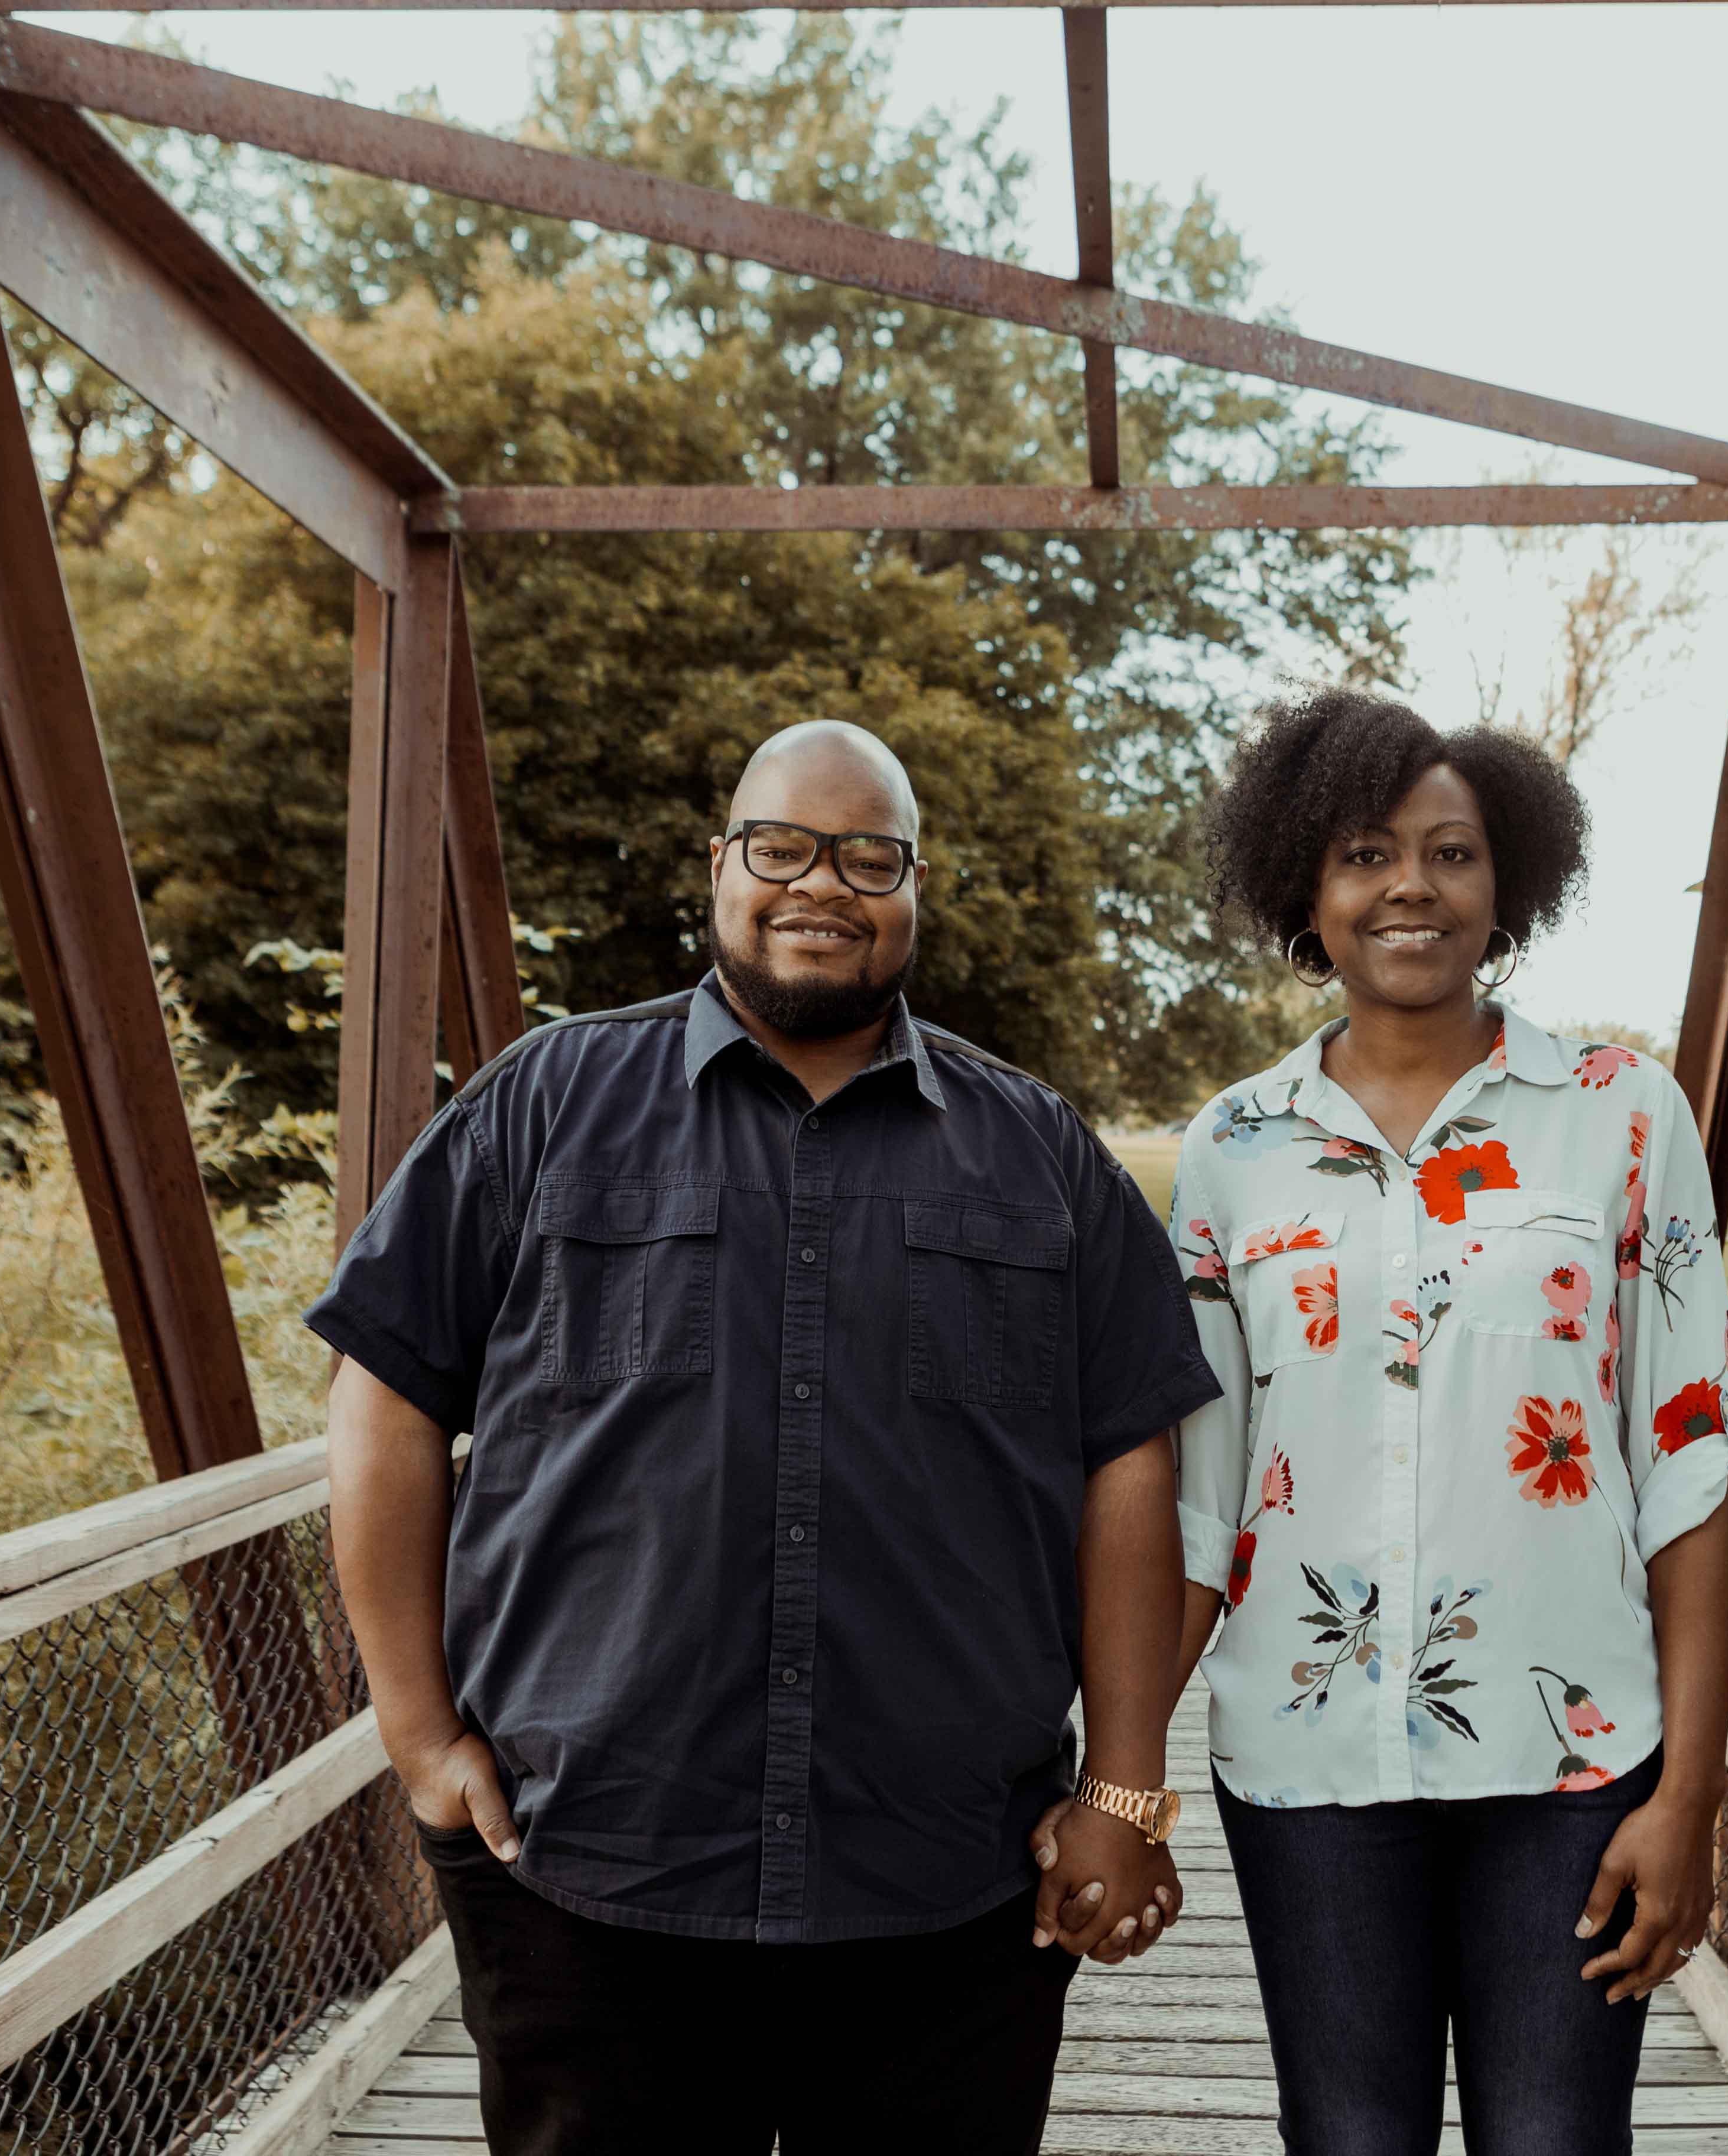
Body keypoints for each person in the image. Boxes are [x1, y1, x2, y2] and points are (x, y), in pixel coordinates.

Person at [308, 719, 1220, 2155]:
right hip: (590, 1862)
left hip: (948, 1879)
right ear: (720, 865)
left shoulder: (1038, 1152)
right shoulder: (543, 1106)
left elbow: (1131, 1468)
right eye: (783, 848)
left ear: (915, 887)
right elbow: (385, 1402)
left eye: (869, 857)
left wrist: (1125, 1789)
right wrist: (418, 1736)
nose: (822, 886)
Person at [1152, 683, 1728, 2155]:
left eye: (1452, 853)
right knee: (1349, 2142)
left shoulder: (1621, 1113)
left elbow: (1688, 1463)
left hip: (1572, 1761)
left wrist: (1690, 1797)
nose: (1409, 886)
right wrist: (1117, 1777)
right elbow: (1202, 1502)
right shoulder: (1235, 1149)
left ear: (1508, 884)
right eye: (1365, 854)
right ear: (1307, 889)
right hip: (1304, 1756)